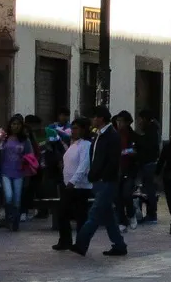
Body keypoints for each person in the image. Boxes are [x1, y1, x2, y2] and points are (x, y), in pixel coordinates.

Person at [72, 106, 127, 257]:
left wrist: (102, 175)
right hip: (98, 180)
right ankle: (119, 245)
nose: (92, 120)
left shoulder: (112, 136)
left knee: (95, 213)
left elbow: (112, 161)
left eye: (94, 117)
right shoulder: (98, 135)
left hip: (107, 181)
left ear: (101, 118)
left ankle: (81, 243)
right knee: (108, 215)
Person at [53, 118, 93, 250]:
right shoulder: (73, 144)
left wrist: (73, 181)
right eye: (73, 128)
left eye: (76, 128)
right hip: (69, 185)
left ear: (83, 129)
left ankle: (80, 242)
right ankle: (66, 240)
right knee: (63, 213)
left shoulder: (86, 145)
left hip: (79, 186)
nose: (73, 131)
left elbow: (83, 165)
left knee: (79, 215)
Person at [0, 115, 36, 231]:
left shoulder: (25, 140)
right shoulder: (5, 139)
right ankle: (9, 218)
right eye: (13, 124)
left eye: (18, 124)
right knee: (9, 196)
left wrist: (26, 163)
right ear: (10, 125)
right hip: (5, 171)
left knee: (17, 199)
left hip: (19, 172)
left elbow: (31, 156)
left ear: (21, 126)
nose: (15, 126)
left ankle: (15, 222)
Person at [135, 109, 160, 223]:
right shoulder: (151, 130)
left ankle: (151, 214)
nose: (139, 122)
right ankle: (147, 214)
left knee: (149, 191)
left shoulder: (151, 132)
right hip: (146, 163)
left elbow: (146, 146)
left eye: (140, 119)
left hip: (148, 164)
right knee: (146, 190)